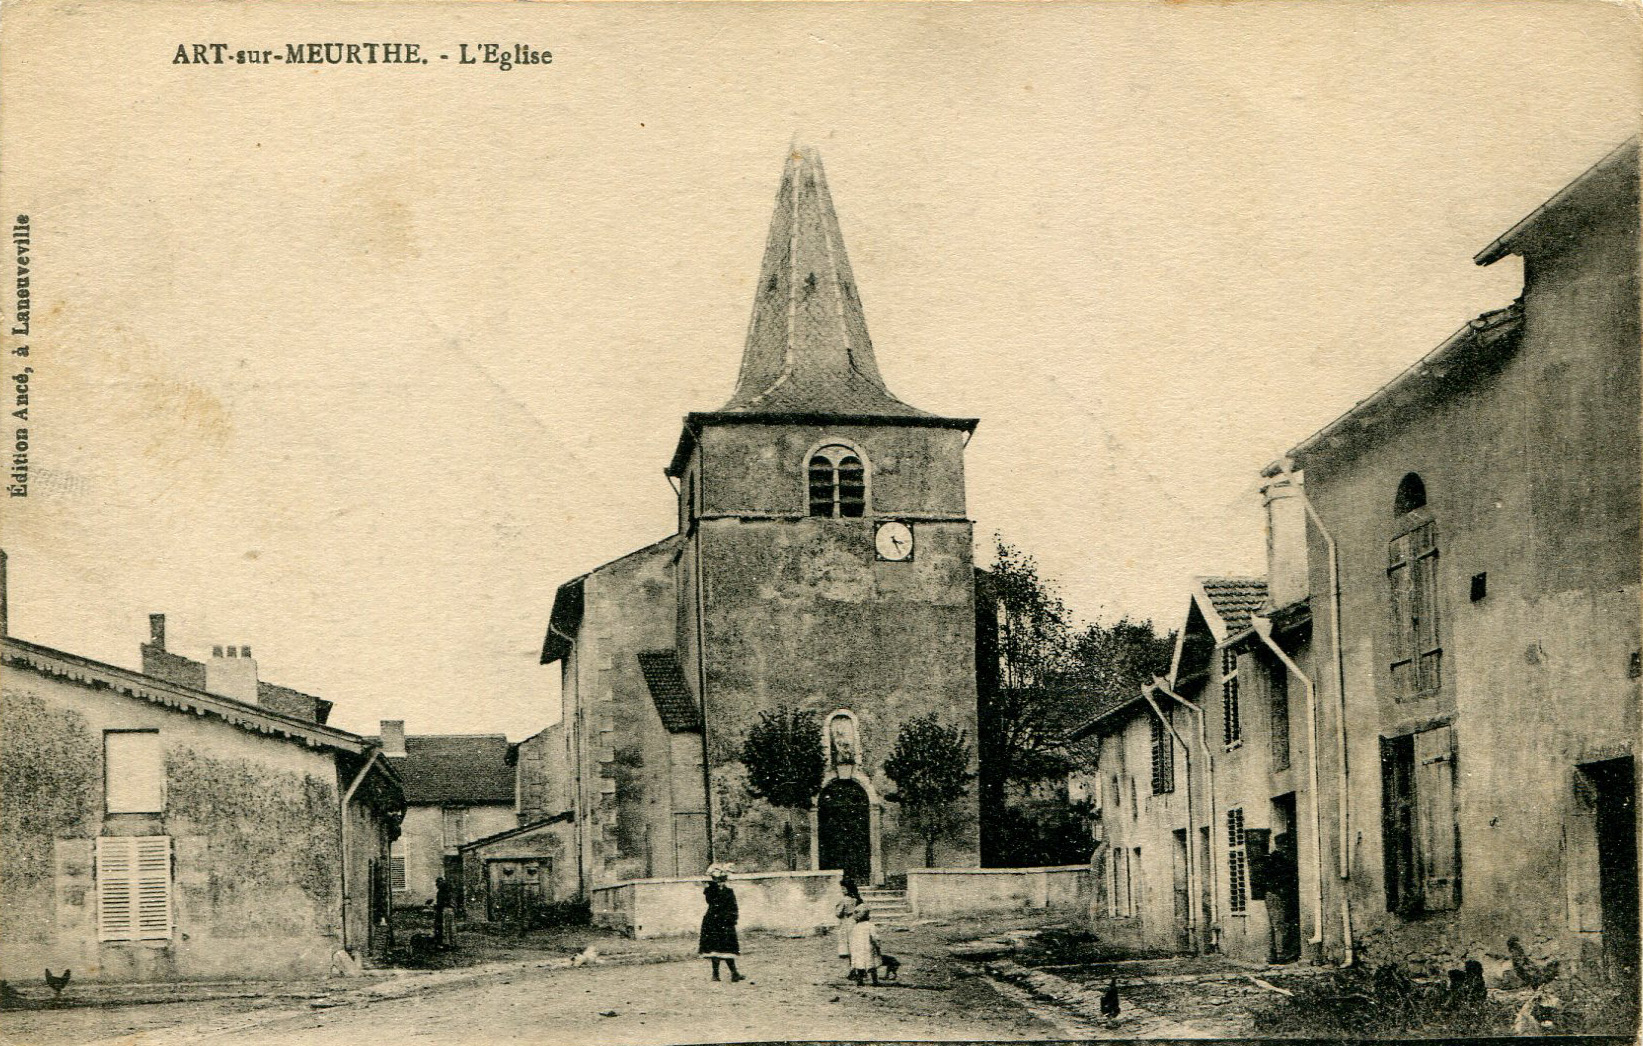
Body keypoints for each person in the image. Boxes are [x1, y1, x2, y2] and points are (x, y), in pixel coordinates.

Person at [699, 865, 743, 982]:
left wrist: (733, 918)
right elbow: (710, 899)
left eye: (723, 879)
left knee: (727, 948)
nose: (721, 881)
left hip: (726, 921)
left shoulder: (729, 891)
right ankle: (715, 974)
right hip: (713, 921)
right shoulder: (710, 891)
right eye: (718, 879)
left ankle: (734, 973)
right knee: (715, 948)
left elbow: (734, 906)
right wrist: (712, 885)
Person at [848, 906, 880, 986]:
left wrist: (852, 950)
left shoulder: (856, 927)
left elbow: (852, 940)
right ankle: (875, 981)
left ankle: (860, 981)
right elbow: (875, 937)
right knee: (871, 964)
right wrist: (877, 946)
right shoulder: (870, 926)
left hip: (858, 948)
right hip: (868, 947)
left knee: (860, 964)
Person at [834, 877, 862, 963]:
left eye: (843, 889)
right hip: (855, 922)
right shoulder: (856, 899)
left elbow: (838, 913)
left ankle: (852, 968)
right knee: (855, 944)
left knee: (848, 944)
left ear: (848, 889)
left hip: (846, 922)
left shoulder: (844, 900)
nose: (842, 891)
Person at [433, 876, 452, 947]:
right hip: (447, 910)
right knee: (448, 927)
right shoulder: (448, 892)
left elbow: (441, 903)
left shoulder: (441, 893)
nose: (436, 885)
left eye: (437, 883)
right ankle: (449, 942)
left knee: (441, 927)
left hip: (442, 911)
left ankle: (443, 943)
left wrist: (435, 906)